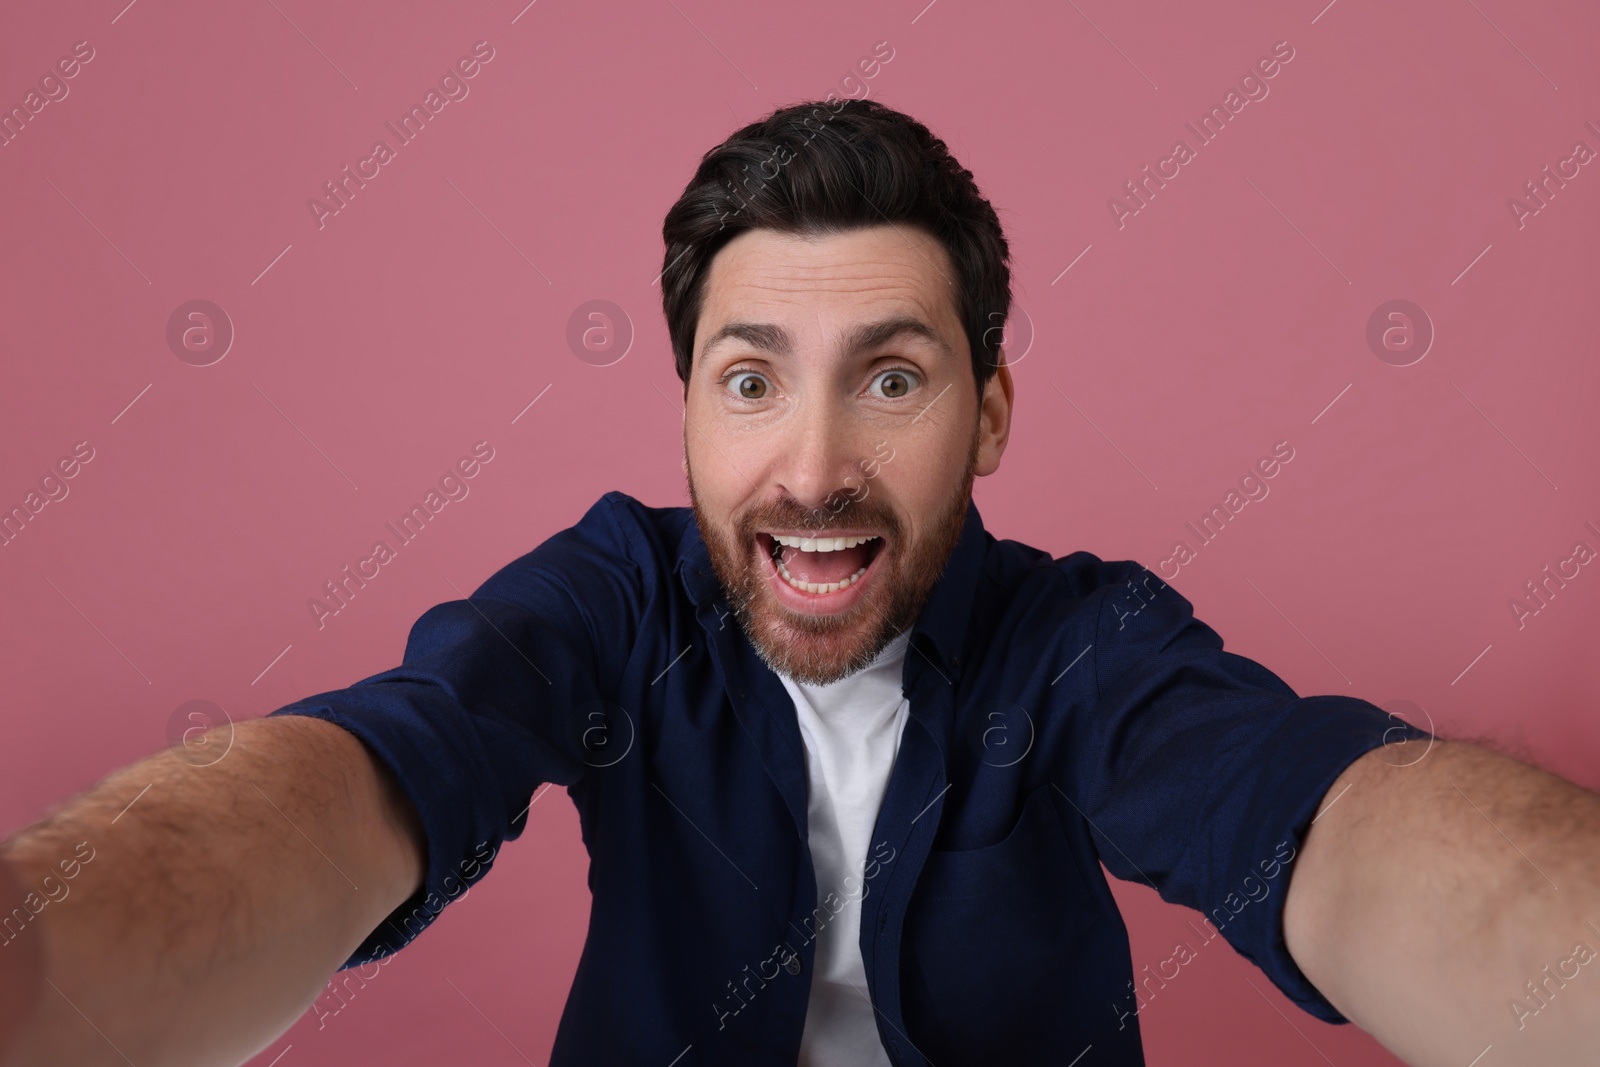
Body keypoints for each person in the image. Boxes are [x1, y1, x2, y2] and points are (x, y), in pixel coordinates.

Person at [3, 98, 1598, 1067]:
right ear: (687, 410)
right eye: (751, 380)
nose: (817, 466)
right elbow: (381, 769)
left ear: (991, 412)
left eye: (892, 380)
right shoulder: (612, 598)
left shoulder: (1081, 646)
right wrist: (39, 954)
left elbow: (1309, 813)